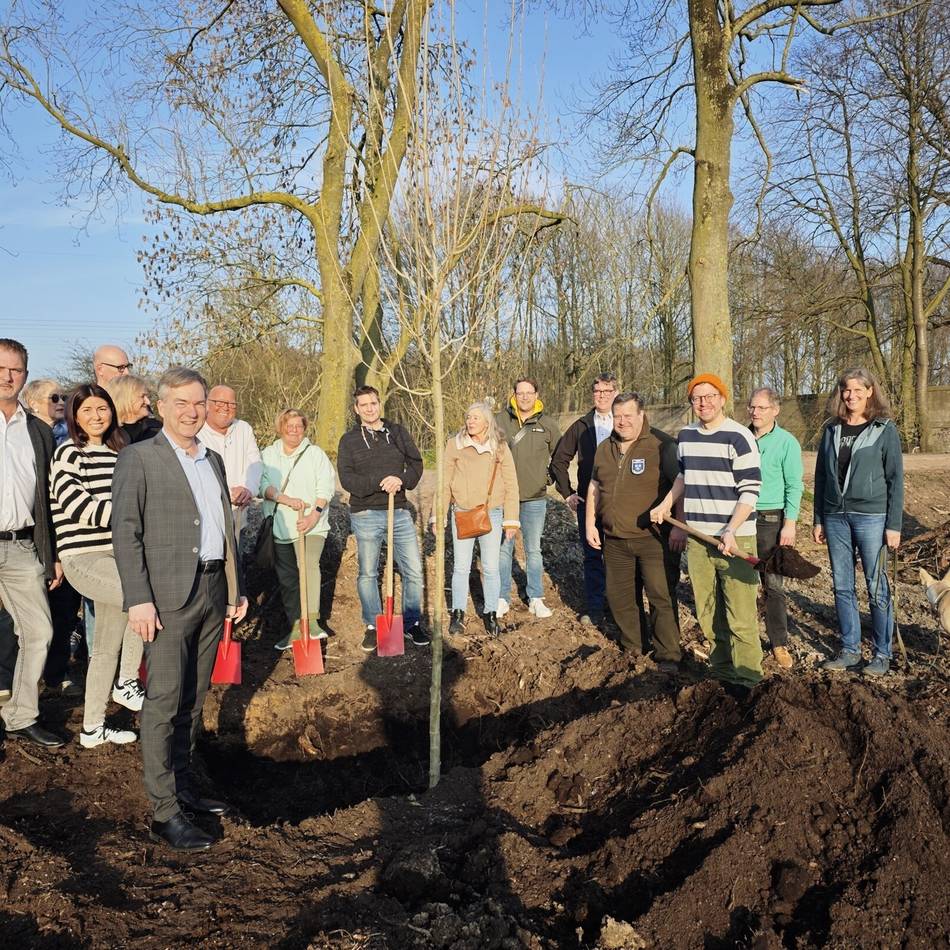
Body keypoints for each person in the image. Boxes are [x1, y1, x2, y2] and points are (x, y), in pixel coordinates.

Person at [113, 366, 247, 852]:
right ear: (164, 406)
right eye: (183, 403)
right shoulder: (138, 458)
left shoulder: (213, 460)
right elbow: (125, 532)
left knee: (194, 697)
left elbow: (223, 529)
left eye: (199, 403)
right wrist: (139, 598)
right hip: (166, 599)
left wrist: (234, 589)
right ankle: (164, 811)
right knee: (164, 701)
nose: (193, 412)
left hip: (212, 591)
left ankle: (185, 787)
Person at [650, 373, 763, 694]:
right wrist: (666, 504)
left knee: (740, 615)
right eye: (697, 398)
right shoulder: (686, 436)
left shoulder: (740, 436)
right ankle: (723, 675)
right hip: (699, 538)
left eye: (710, 396)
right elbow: (683, 478)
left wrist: (731, 530)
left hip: (735, 539)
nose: (704, 403)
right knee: (708, 612)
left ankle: (748, 680)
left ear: (723, 399)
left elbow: (750, 490)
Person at [50, 385, 144, 747]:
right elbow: (77, 506)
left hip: (119, 557)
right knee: (140, 595)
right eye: (86, 410)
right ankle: (127, 681)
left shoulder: (121, 453)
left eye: (102, 408)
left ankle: (92, 728)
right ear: (75, 416)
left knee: (105, 645)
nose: (95, 416)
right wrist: (129, 518)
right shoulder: (69, 453)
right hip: (84, 557)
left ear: (112, 412)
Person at [813, 368, 903, 677]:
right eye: (846, 390)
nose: (851, 395)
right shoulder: (831, 429)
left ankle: (882, 654)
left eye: (857, 390)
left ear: (870, 392)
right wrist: (818, 518)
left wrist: (894, 525)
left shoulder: (884, 429)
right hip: (835, 517)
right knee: (842, 586)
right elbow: (821, 477)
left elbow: (895, 480)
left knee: (876, 586)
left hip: (872, 517)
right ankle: (850, 650)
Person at [0, 338, 65, 747]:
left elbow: (48, 499)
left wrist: (52, 553)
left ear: (25, 374)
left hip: (22, 546)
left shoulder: (39, 431)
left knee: (39, 632)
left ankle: (20, 715)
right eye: (1, 368)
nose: (8, 377)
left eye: (16, 370)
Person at [586, 393, 682, 669]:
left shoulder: (662, 445)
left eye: (628, 415)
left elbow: (681, 484)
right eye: (617, 416)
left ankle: (668, 655)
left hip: (654, 539)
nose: (622, 422)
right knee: (621, 598)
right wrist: (591, 523)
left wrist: (680, 527)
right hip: (615, 540)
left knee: (660, 596)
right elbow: (595, 486)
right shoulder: (605, 448)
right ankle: (634, 647)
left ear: (642, 415)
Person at [337, 386, 428, 652]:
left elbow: (416, 464)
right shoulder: (349, 440)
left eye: (373, 403)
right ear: (356, 409)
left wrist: (401, 479)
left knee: (413, 570)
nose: (369, 408)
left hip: (398, 512)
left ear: (380, 404)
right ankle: (373, 624)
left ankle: (411, 623)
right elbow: (347, 479)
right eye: (363, 405)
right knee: (368, 572)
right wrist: (380, 482)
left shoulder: (397, 432)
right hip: (365, 514)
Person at [20, 378, 82, 694]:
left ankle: (56, 673)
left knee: (64, 608)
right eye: (54, 397)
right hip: (31, 535)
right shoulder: (23, 438)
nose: (61, 402)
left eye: (64, 397)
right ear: (32, 403)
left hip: (63, 534)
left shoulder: (68, 438)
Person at [442, 401, 520, 636]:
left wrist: (511, 519)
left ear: (487, 422)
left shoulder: (500, 447)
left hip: (491, 513)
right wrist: (439, 515)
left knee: (491, 567)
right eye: (468, 417)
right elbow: (444, 483)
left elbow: (511, 484)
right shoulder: (454, 445)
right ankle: (458, 614)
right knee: (461, 567)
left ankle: (490, 613)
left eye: (476, 417)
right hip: (462, 512)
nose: (470, 421)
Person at [260, 409, 336, 651]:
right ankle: (295, 626)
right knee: (288, 578)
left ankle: (311, 621)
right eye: (289, 425)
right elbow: (262, 485)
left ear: (304, 429)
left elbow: (326, 486)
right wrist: (285, 499)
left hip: (311, 525)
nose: (294, 430)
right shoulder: (267, 455)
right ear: (280, 427)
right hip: (281, 526)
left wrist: (314, 514)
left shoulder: (315, 454)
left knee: (308, 565)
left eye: (299, 426)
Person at [550, 373, 619, 625]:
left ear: (615, 393)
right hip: (589, 502)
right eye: (597, 391)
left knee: (619, 555)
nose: (602, 396)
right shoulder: (581, 426)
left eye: (607, 391)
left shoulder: (624, 421)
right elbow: (559, 460)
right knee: (592, 554)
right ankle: (595, 607)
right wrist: (568, 492)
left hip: (620, 502)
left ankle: (620, 607)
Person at [747, 387, 804, 670]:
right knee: (742, 583)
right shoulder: (740, 437)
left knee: (773, 584)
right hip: (741, 518)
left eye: (762, 408)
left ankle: (778, 642)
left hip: (771, 520)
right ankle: (744, 639)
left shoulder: (786, 443)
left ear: (775, 410)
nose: (755, 412)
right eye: (752, 407)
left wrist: (789, 524)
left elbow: (794, 485)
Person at [495, 377, 561, 618]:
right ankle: (501, 597)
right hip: (505, 498)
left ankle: (536, 597)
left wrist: (547, 478)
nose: (524, 397)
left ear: (536, 395)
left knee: (533, 549)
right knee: (504, 549)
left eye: (529, 392)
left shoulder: (548, 424)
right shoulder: (499, 420)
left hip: (535, 498)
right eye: (520, 392)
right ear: (514, 395)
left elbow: (560, 456)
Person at [198, 384, 262, 543]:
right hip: (206, 517)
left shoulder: (244, 429)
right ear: (207, 404)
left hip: (237, 516)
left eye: (231, 404)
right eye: (220, 402)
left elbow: (255, 463)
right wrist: (225, 493)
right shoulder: (197, 431)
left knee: (235, 557)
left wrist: (247, 490)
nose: (226, 408)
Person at [106, 374, 162, 443]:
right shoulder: (106, 434)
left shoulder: (156, 431)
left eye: (147, 396)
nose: (148, 402)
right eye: (142, 396)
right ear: (125, 399)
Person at [22, 378, 68, 446]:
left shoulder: (74, 429)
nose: (62, 402)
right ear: (33, 404)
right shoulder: (24, 432)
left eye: (63, 398)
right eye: (55, 398)